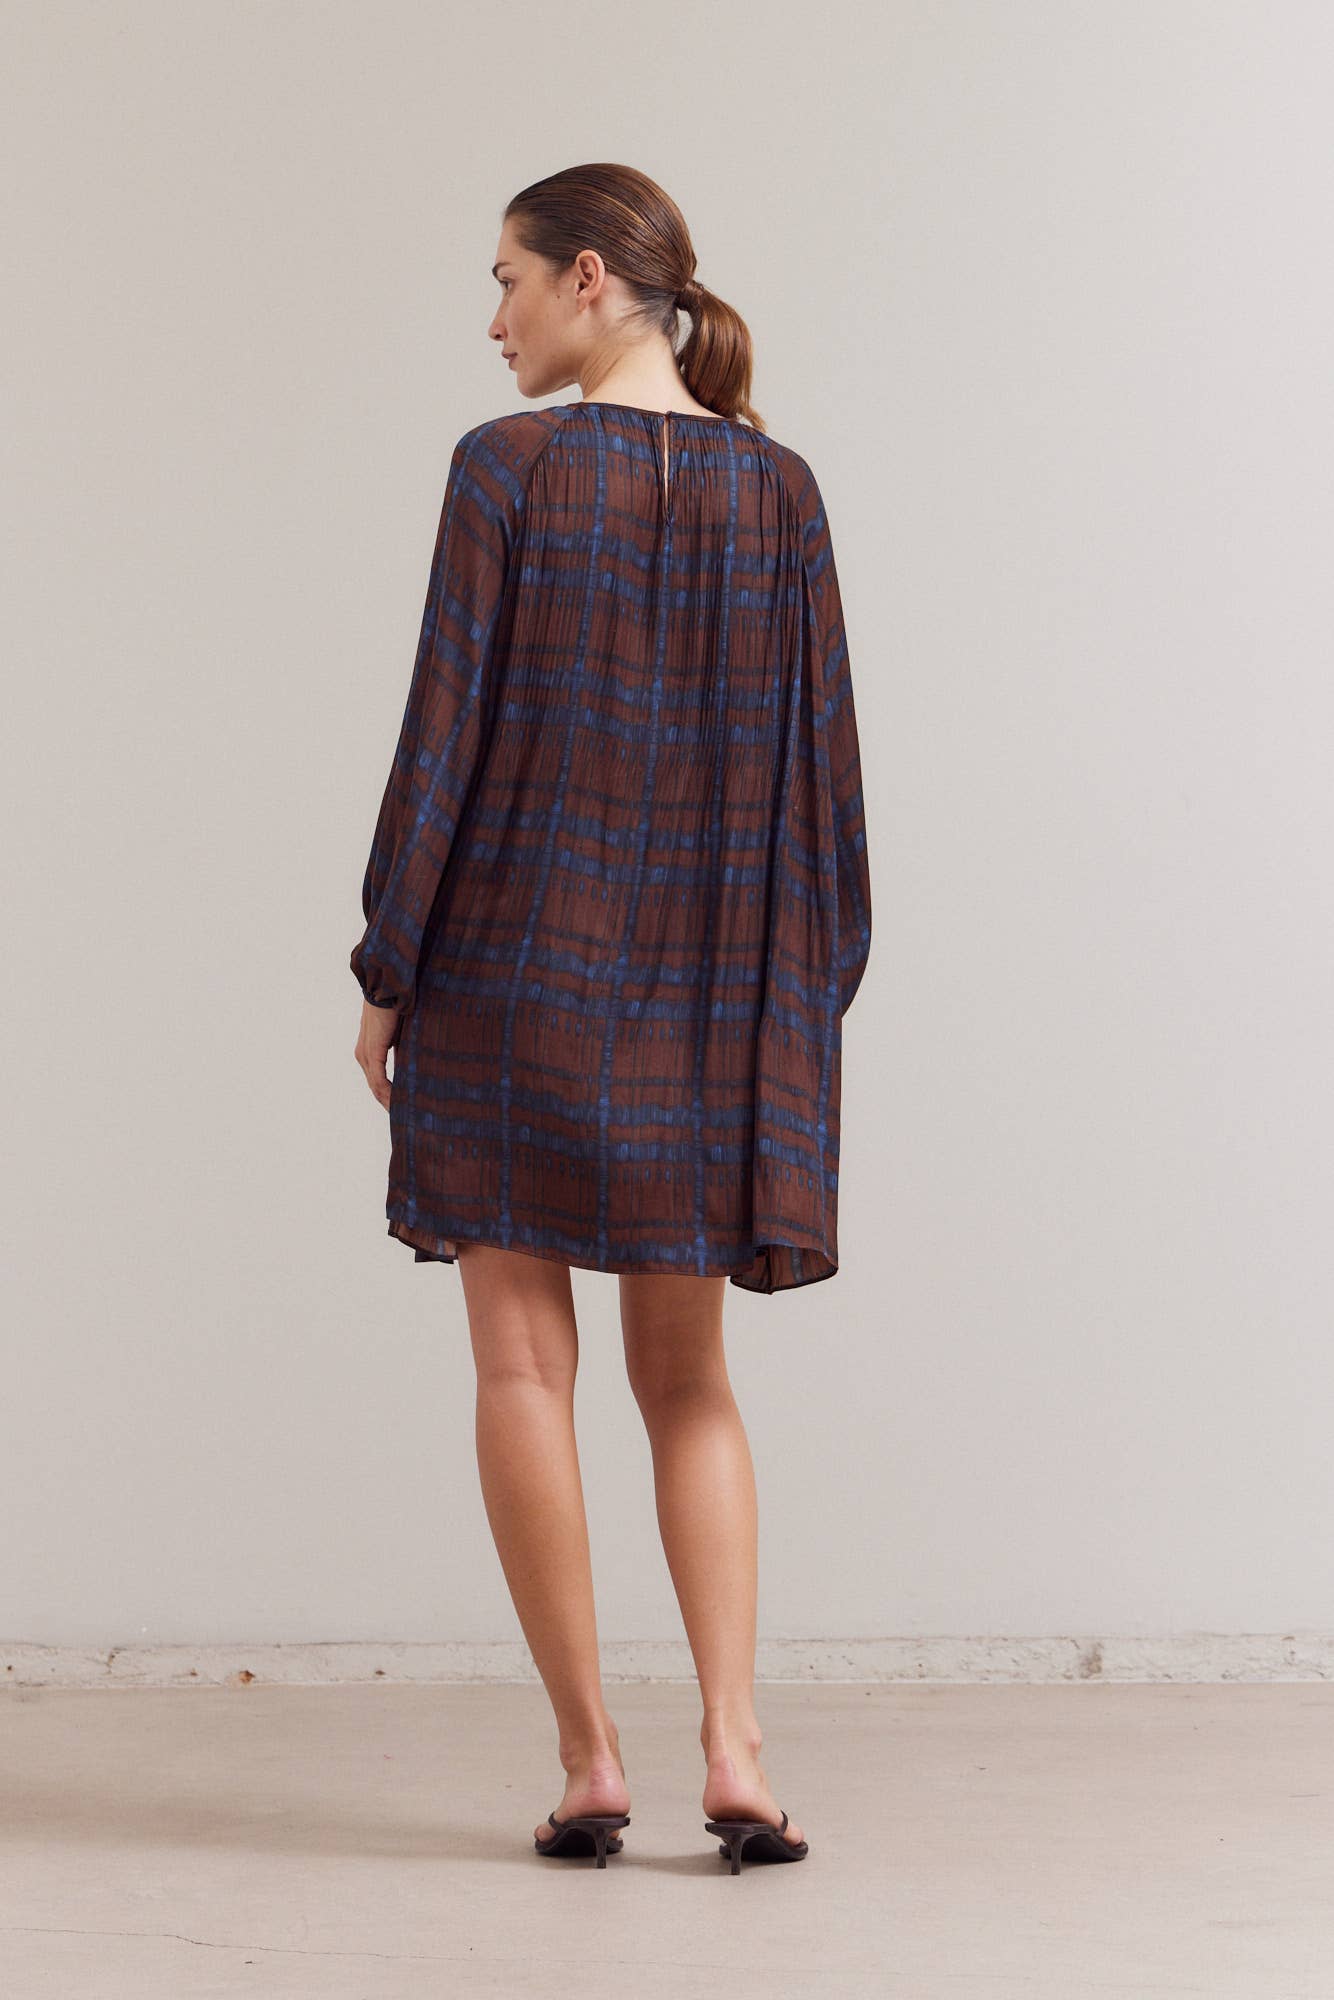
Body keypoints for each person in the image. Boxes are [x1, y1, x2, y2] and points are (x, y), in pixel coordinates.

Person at [350, 163, 871, 1869]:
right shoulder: (779, 493)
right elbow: (826, 785)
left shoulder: (504, 468)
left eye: (504, 279)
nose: (491, 318)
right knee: (689, 1381)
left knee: (522, 1364)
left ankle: (589, 1763)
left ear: (586, 279)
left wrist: (387, 966)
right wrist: (795, 1002)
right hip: (712, 998)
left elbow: (442, 737)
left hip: (508, 971)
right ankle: (736, 1751)